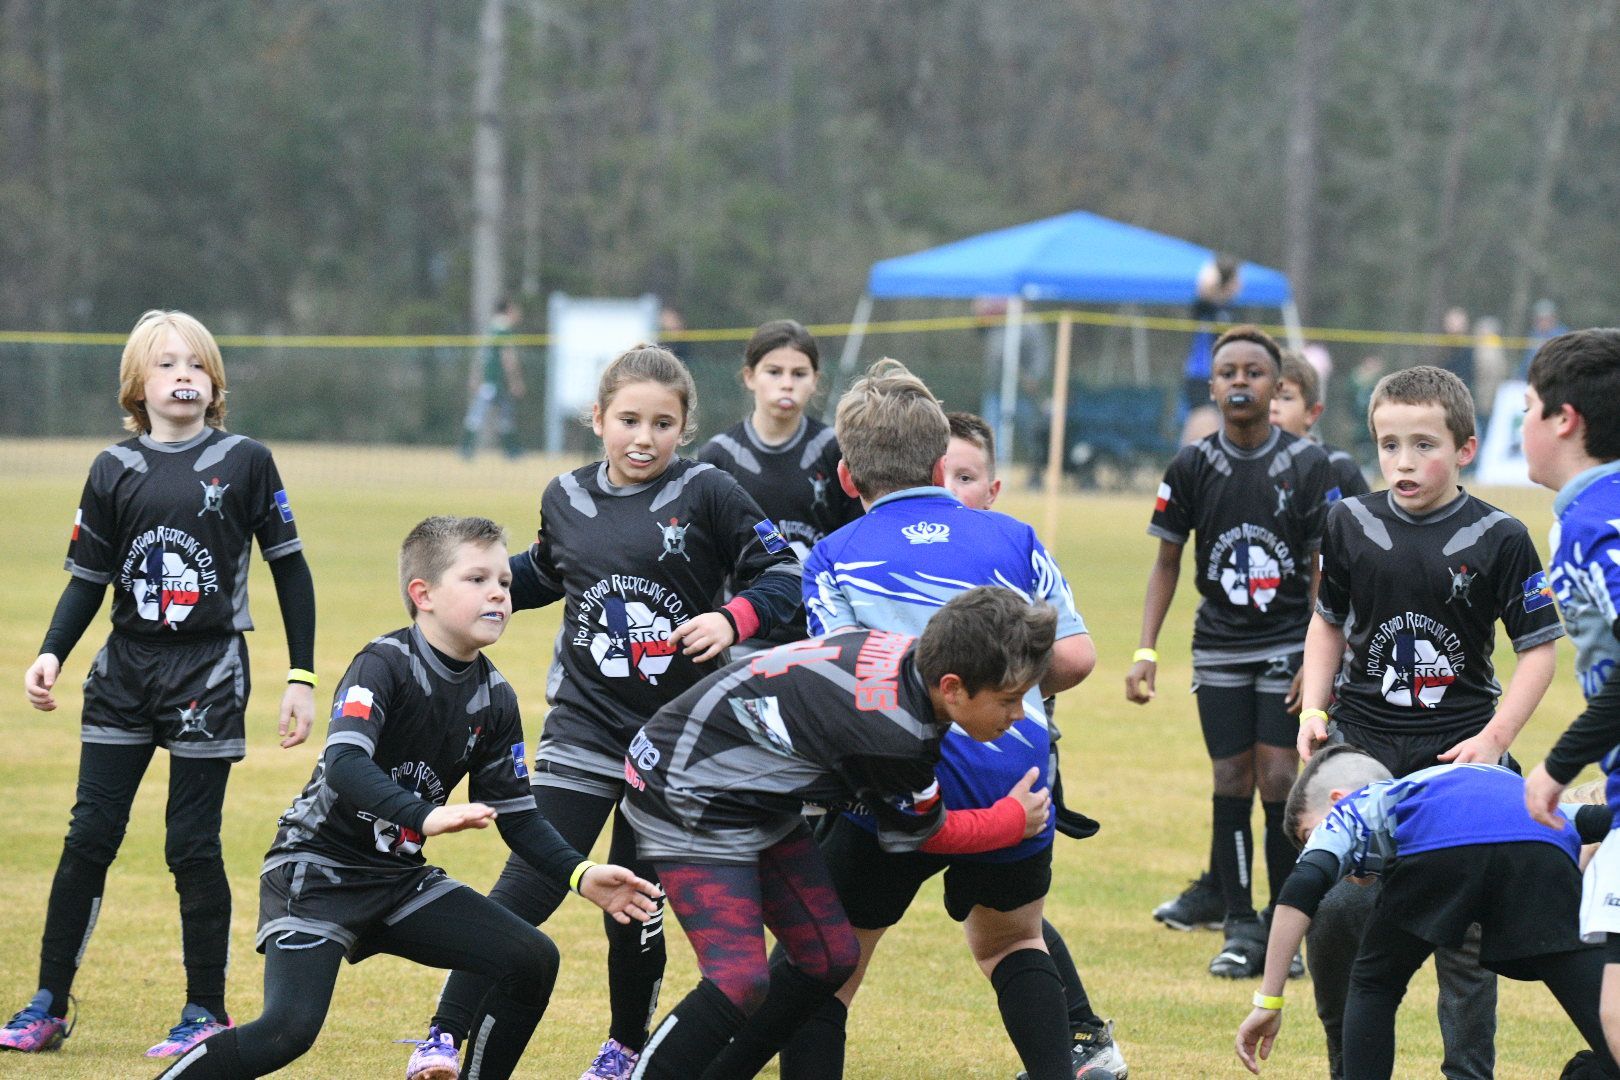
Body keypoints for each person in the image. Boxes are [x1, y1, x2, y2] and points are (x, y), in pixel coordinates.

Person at [148, 516, 660, 1080]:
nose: (499, 592)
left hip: (396, 880)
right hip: (317, 871)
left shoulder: (495, 697)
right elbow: (346, 764)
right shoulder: (384, 664)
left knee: (530, 958)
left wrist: (583, 875)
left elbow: (519, 818)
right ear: (424, 596)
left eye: (505, 583)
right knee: (288, 1030)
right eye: (476, 580)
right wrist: (427, 815)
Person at [411, 344, 802, 1080]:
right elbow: (545, 574)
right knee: (528, 877)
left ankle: (624, 1046)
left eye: (662, 423)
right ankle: (443, 1034)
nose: (643, 437)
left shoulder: (710, 492)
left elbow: (785, 572)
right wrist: (471, 594)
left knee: (634, 902)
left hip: (674, 743)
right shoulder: (565, 497)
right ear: (597, 419)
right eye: (628, 419)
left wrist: (735, 618)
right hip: (583, 729)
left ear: (684, 429)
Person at [2, 310, 318, 1059]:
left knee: (192, 845)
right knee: (89, 837)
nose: (184, 376)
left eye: (198, 366)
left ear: (215, 386)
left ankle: (203, 1009)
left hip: (207, 674)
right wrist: (51, 652)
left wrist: (300, 675)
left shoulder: (245, 461)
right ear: (137, 386)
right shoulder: (113, 468)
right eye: (167, 364)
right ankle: (46, 1001)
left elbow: (291, 570)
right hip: (122, 673)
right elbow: (87, 580)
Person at [771, 361, 1099, 1080]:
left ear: (847, 478)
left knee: (826, 966)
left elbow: (847, 678)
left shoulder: (834, 558)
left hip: (895, 780)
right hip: (1015, 776)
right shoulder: (1014, 538)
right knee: (1011, 942)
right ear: (940, 462)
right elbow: (1075, 661)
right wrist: (1002, 694)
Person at [622, 587, 1058, 1079]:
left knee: (829, 956)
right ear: (953, 687)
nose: (1019, 714)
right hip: (685, 788)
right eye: (1010, 699)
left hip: (742, 789)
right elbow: (926, 831)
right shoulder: (895, 736)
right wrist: (1011, 822)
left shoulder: (910, 655)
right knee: (737, 980)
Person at [1296, 364, 1564, 1079]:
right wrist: (1317, 709)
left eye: (1424, 445)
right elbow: (1327, 624)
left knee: (1467, 940)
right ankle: (1347, 1063)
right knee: (1339, 917)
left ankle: (1468, 1072)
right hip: (1362, 746)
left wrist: (1493, 743)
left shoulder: (1501, 536)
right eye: (1389, 445)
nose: (1404, 462)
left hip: (1461, 756)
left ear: (1467, 449)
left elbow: (1539, 650)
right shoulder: (1348, 521)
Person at [1126, 326, 1334, 979]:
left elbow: (1326, 568)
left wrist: (1314, 653)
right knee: (1228, 779)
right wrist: (1146, 650)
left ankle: (1281, 925)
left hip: (1285, 643)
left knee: (1278, 778)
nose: (1240, 382)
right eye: (1228, 373)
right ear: (1211, 386)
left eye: (1254, 372)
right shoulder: (1190, 465)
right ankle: (1239, 924)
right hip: (1217, 647)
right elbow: (1166, 562)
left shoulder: (1308, 466)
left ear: (1277, 388)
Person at [1234, 746, 1619, 1078]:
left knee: (1374, 984)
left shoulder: (1363, 803)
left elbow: (1300, 888)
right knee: (1606, 1022)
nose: (1315, 851)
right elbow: (1597, 820)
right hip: (1537, 856)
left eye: (1307, 836)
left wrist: (1269, 1000)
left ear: (1337, 798)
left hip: (1439, 851)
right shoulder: (1498, 785)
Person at [942, 411, 1126, 1080]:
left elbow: (1075, 657)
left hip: (1003, 765)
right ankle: (1082, 1040)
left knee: (1007, 925)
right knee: (1002, 926)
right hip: (936, 761)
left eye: (966, 477)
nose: (951, 490)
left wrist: (1007, 691)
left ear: (992, 490)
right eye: (940, 476)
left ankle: (1082, 1037)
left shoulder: (1008, 553)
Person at [1516, 330, 1620, 1063]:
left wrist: (1557, 766)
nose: (1520, 422)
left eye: (1527, 406)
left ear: (1565, 418)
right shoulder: (1588, 511)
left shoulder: (1594, 521)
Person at [698, 319, 862, 656]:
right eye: (774, 372)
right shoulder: (719, 455)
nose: (786, 384)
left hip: (820, 633)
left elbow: (855, 540)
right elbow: (706, 561)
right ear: (749, 377)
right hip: (744, 637)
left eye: (799, 374)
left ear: (815, 381)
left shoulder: (835, 450)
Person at [1270, 350, 1372, 501]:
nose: (1272, 407)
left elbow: (1368, 521)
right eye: (1266, 397)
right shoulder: (1248, 469)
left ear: (1312, 412)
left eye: (1286, 397)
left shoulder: (1338, 467)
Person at [460, 297, 525, 460]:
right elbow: (508, 358)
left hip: (489, 382)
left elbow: (481, 356)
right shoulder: (503, 330)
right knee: (499, 416)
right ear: (508, 310)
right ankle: (510, 451)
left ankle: (467, 449)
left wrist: (475, 377)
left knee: (487, 415)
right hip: (497, 382)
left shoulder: (490, 329)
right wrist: (515, 381)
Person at [1519, 298, 1570, 379]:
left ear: (1553, 318)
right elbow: (1527, 360)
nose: (1542, 322)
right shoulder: (1534, 334)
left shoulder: (1563, 335)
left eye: (1545, 319)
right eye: (1539, 319)